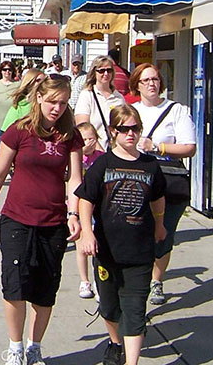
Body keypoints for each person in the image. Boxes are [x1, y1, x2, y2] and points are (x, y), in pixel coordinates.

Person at [0, 76, 84, 365]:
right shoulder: (20, 131)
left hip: (53, 222)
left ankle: (35, 346)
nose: (57, 108)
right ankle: (15, 346)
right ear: (38, 98)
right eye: (51, 101)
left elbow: (75, 179)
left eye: (62, 103)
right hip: (17, 219)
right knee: (15, 286)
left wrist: (74, 214)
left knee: (45, 289)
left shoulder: (70, 136)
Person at [77, 104, 167, 365]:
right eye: (124, 129)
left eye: (135, 129)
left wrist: (160, 224)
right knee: (109, 306)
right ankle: (116, 343)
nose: (130, 134)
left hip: (139, 249)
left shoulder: (150, 165)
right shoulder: (103, 164)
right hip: (107, 249)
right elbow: (86, 199)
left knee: (136, 307)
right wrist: (86, 232)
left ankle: (131, 361)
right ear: (113, 132)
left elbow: (158, 197)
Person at [129, 63, 198, 306]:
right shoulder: (130, 110)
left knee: (163, 233)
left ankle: (156, 280)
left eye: (155, 79)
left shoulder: (176, 110)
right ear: (137, 85)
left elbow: (189, 147)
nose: (151, 84)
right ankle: (138, 280)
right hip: (137, 179)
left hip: (168, 180)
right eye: (146, 80)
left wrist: (158, 147)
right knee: (137, 232)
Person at [74, 121, 104, 300]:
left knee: (98, 246)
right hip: (80, 206)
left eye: (91, 139)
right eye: (84, 140)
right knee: (81, 244)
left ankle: (99, 281)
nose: (88, 143)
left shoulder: (102, 158)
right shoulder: (76, 158)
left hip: (98, 206)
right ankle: (84, 280)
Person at [75, 55, 126, 151]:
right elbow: (82, 126)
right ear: (94, 72)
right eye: (101, 70)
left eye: (109, 70)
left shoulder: (119, 98)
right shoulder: (87, 95)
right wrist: (100, 151)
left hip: (116, 151)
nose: (106, 74)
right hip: (94, 152)